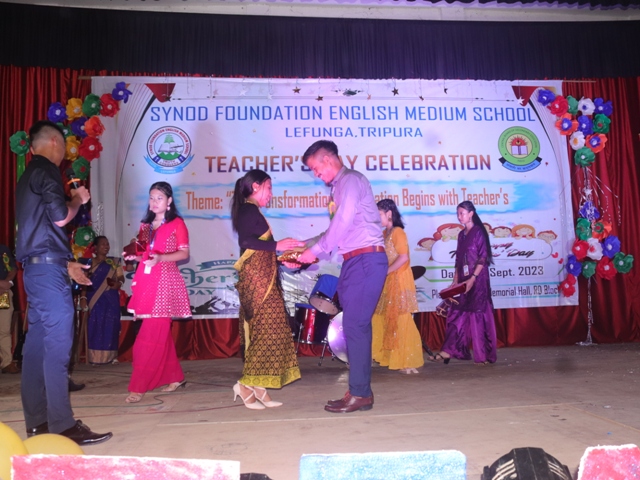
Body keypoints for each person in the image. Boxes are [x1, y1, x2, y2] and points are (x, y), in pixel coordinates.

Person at [15, 120, 112, 445]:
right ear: (55, 142)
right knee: (57, 347)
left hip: (37, 270)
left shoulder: (27, 176)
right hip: (47, 275)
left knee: (36, 347)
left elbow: (40, 230)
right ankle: (63, 424)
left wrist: (67, 263)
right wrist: (78, 199)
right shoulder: (46, 170)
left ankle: (38, 423)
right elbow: (60, 217)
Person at [297, 140, 387, 414]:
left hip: (366, 259)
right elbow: (335, 230)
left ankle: (360, 393)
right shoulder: (339, 187)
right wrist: (303, 247)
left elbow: (342, 222)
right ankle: (360, 391)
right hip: (354, 260)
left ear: (327, 159)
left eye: (315, 168)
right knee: (354, 327)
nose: (316, 174)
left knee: (356, 327)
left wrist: (313, 251)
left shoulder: (350, 180)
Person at [230, 169, 303, 409]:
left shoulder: (253, 211)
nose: (271, 193)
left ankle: (259, 385)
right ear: (256, 186)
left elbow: (259, 251)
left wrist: (283, 259)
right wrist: (277, 245)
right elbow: (245, 242)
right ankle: (245, 385)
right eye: (269, 188)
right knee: (267, 332)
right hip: (258, 284)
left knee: (274, 330)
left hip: (264, 280)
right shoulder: (248, 209)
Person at [123, 182, 191, 403]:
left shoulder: (177, 224)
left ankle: (138, 386)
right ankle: (175, 377)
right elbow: (144, 254)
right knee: (159, 332)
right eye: (151, 197)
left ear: (169, 201)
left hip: (165, 283)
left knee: (149, 335)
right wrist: (134, 257)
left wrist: (161, 257)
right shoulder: (145, 226)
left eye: (159, 198)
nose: (154, 202)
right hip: (147, 281)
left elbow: (184, 254)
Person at [432, 200, 497, 365]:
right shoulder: (461, 234)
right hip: (462, 280)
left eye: (462, 213)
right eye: (458, 213)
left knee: (478, 315)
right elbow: (459, 260)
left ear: (471, 214)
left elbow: (483, 258)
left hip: (478, 280)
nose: (459, 216)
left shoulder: (479, 232)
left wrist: (473, 278)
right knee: (456, 313)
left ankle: (483, 355)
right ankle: (449, 351)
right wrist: (455, 281)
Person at [371, 199, 424, 374]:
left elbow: (403, 257)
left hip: (399, 280)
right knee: (383, 318)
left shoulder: (398, 232)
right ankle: (388, 357)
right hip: (387, 281)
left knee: (401, 318)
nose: (376, 218)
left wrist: (385, 271)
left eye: (379, 214)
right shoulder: (384, 233)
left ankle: (407, 361)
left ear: (389, 213)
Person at [79, 236, 124, 365]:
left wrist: (118, 283)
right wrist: (83, 297)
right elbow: (84, 281)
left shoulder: (114, 262)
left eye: (107, 244)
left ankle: (111, 356)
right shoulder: (89, 263)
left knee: (111, 325)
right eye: (103, 244)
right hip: (95, 298)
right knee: (95, 324)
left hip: (111, 298)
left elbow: (121, 277)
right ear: (96, 247)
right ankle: (94, 357)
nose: (106, 246)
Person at [0, 244, 19, 374]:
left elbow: (12, 269)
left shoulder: (3, 249)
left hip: (3, 294)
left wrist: (6, 283)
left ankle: (6, 362)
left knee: (4, 328)